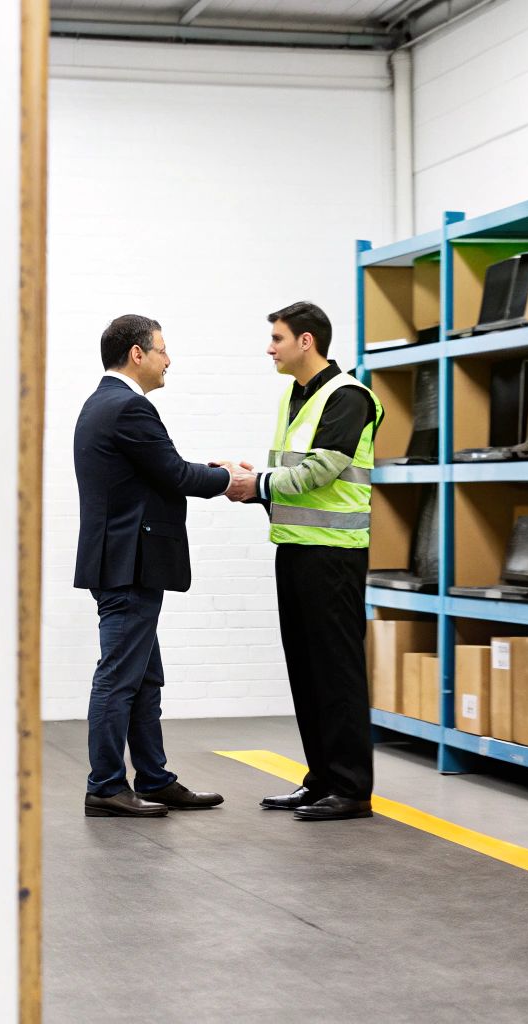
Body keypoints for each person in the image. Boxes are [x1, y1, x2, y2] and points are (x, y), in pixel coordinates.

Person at [72, 314, 251, 817]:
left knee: (144, 678)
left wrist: (212, 473)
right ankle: (105, 785)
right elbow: (172, 472)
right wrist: (226, 477)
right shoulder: (128, 408)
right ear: (137, 354)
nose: (168, 360)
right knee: (118, 678)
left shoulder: (104, 404)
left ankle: (153, 777)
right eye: (162, 350)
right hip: (129, 565)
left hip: (126, 563)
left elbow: (155, 473)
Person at [229, 301, 381, 821]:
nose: (270, 347)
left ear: (306, 342)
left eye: (277, 338)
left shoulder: (349, 397)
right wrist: (255, 486)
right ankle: (321, 779)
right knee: (306, 670)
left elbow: (324, 470)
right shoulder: (293, 397)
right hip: (294, 547)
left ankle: (351, 788)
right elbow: (293, 480)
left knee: (337, 672)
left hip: (334, 557)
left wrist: (258, 484)